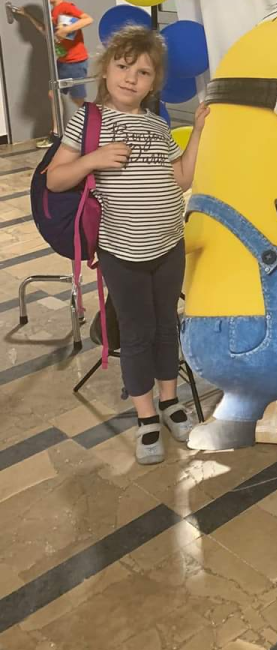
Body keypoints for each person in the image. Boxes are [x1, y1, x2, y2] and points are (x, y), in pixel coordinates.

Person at [46, 25, 208, 465]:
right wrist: (93, 159)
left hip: (169, 244)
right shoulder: (88, 120)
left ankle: (170, 402)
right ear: (106, 70)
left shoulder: (157, 123)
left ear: (154, 82)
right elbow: (55, 178)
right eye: (122, 67)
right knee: (137, 334)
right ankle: (146, 418)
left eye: (143, 72)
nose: (131, 78)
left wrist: (198, 131)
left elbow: (182, 178)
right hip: (122, 251)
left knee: (167, 326)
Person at [12, 0, 94, 147]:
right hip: (63, 61)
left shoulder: (66, 7)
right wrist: (27, 15)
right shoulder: (54, 12)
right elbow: (45, 31)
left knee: (77, 99)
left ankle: (97, 125)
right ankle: (56, 134)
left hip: (75, 62)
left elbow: (88, 19)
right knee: (53, 94)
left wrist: (67, 29)